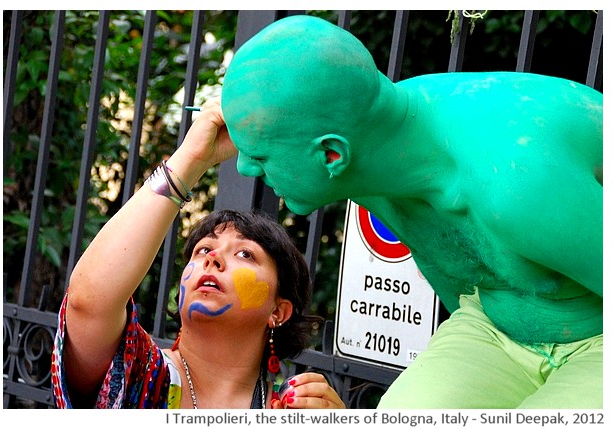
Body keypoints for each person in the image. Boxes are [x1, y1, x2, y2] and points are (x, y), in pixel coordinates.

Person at [219, 15, 603, 408]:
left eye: (260, 154)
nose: (245, 168)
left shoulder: (516, 185)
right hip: (496, 323)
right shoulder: (373, 151)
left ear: (331, 154)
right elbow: (458, 274)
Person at [50, 97, 345, 410]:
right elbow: (88, 302)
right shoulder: (140, 375)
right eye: (204, 249)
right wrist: (193, 157)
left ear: (279, 311)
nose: (212, 258)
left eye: (245, 254)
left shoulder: (292, 409)